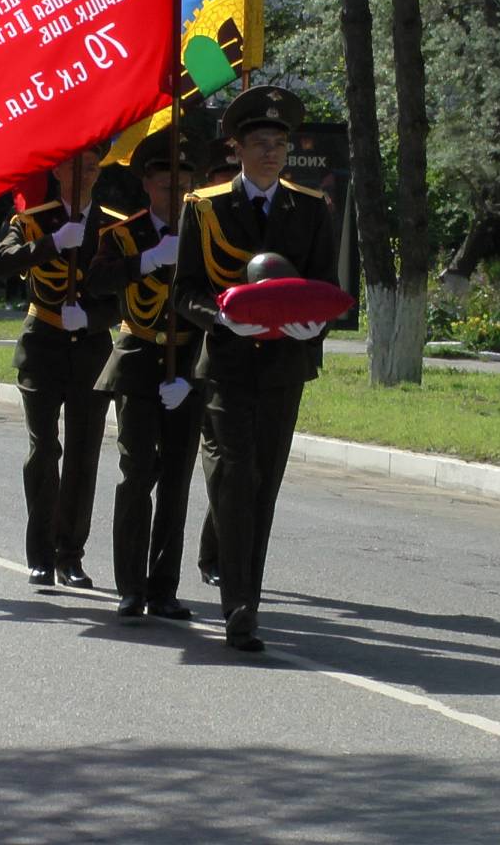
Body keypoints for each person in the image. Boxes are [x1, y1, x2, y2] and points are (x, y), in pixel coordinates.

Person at [172, 85, 337, 652]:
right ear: (236, 149)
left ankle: (238, 578)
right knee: (235, 476)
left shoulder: (311, 209)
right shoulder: (206, 206)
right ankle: (240, 608)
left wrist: (314, 326)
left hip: (284, 369)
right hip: (227, 365)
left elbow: (329, 290)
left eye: (279, 142)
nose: (271, 152)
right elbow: (185, 292)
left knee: (261, 486)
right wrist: (223, 320)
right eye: (260, 142)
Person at [0, 144, 125, 589]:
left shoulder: (114, 229)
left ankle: (71, 553)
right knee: (44, 450)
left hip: (90, 349)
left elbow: (127, 296)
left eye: (90, 167)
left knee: (84, 454)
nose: (82, 175)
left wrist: (91, 317)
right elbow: (2, 261)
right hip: (42, 345)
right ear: (56, 170)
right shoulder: (33, 220)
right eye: (74, 166)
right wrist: (50, 244)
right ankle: (41, 553)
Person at [95, 137, 200, 620]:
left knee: (176, 482)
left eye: (183, 184)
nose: (175, 193)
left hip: (188, 365)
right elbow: (97, 281)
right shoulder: (122, 235)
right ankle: (130, 586)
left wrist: (193, 374)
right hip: (138, 360)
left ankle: (164, 587)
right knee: (137, 475)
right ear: (147, 186)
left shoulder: (206, 233)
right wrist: (150, 260)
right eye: (165, 184)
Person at [193, 134, 242, 589]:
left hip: (243, 358)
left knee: (233, 462)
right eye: (220, 181)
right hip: (194, 353)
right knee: (219, 460)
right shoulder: (199, 218)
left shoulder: (258, 222)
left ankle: (217, 550)